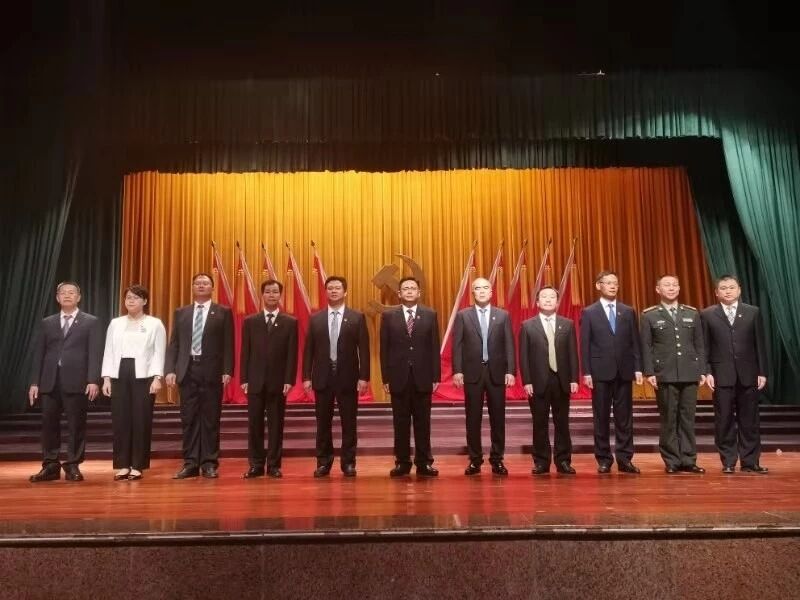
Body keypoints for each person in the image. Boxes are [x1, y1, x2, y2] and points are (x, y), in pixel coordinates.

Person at [28, 281, 102, 482]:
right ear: (57, 297)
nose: (67, 295)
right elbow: (39, 354)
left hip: (77, 381)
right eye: (63, 293)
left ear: (79, 297)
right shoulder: (47, 322)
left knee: (76, 425)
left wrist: (93, 380)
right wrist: (34, 382)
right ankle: (50, 465)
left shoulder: (90, 321)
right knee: (48, 424)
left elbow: (95, 353)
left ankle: (72, 465)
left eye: (71, 292)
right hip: (50, 381)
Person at [165, 272, 234, 479]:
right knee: (189, 419)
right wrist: (170, 369)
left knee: (211, 419)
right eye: (197, 283)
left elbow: (229, 344)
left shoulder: (223, 312)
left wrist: (227, 370)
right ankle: (190, 463)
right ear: (193, 287)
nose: (201, 285)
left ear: (212, 287)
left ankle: (209, 463)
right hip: (187, 370)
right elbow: (174, 343)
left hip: (212, 371)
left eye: (205, 283)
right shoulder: (182, 312)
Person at [303, 276, 370, 478]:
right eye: (330, 288)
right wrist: (306, 376)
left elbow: (364, 350)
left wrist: (364, 377)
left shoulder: (357, 317)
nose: (333, 291)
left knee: (349, 423)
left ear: (345, 292)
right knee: (323, 423)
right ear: (326, 292)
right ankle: (323, 462)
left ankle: (348, 463)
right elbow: (309, 350)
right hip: (322, 377)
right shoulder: (316, 319)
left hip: (348, 377)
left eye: (337, 288)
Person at [701, 275, 769, 474]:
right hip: (721, 375)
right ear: (716, 292)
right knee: (724, 420)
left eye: (731, 287)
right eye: (723, 288)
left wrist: (762, 371)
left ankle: (750, 461)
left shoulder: (752, 312)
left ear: (739, 290)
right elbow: (704, 346)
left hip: (748, 374)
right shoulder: (707, 314)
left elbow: (760, 344)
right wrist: (707, 371)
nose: (728, 291)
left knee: (750, 420)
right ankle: (728, 461)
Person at [640, 274, 706, 474]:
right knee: (669, 418)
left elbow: (699, 344)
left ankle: (688, 459)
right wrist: (649, 372)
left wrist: (702, 370)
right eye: (666, 285)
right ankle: (672, 460)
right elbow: (646, 346)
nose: (671, 288)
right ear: (658, 289)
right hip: (665, 373)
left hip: (689, 371)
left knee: (688, 418)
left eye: (674, 285)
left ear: (679, 288)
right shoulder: (649, 315)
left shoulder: (692, 313)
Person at [100, 285, 166, 481]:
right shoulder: (115, 323)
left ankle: (137, 465)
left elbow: (159, 352)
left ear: (144, 301)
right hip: (119, 373)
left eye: (136, 297)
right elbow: (108, 351)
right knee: (120, 419)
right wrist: (106, 378)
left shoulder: (155, 324)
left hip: (144, 375)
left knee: (141, 420)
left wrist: (157, 377)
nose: (131, 300)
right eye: (128, 297)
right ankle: (122, 465)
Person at [580, 271, 643, 474]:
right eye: (608, 283)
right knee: (601, 417)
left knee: (625, 418)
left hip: (624, 371)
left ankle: (625, 458)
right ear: (598, 286)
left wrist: (638, 367)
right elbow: (585, 344)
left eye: (615, 282)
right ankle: (604, 459)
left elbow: (635, 342)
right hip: (600, 372)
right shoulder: (589, 312)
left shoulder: (628, 311)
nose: (613, 286)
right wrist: (586, 372)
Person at [452, 277, 515, 476]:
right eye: (477, 288)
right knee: (473, 419)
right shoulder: (463, 315)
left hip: (496, 372)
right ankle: (475, 460)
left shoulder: (502, 315)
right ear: (472, 292)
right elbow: (457, 345)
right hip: (472, 373)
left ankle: (497, 459)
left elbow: (509, 345)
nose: (481, 291)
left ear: (491, 292)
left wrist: (511, 371)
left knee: (498, 419)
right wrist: (457, 370)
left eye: (485, 288)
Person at [380, 277, 441, 477]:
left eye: (412, 288)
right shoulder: (388, 316)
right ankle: (402, 462)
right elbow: (384, 349)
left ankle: (424, 462)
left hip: (423, 377)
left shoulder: (430, 315)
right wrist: (385, 378)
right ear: (399, 293)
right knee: (401, 422)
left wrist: (436, 376)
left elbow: (434, 347)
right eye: (405, 288)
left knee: (423, 422)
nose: (409, 291)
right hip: (398, 377)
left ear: (419, 292)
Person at [240, 279, 298, 479]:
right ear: (262, 295)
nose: (271, 295)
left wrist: (289, 379)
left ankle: (273, 465)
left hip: (278, 382)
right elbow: (245, 352)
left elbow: (292, 354)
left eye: (275, 292)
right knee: (254, 424)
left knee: (276, 425)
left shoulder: (290, 322)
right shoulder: (251, 321)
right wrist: (244, 378)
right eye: (268, 292)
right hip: (254, 381)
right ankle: (256, 465)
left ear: (280, 295)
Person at [519, 286, 579, 475]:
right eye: (544, 297)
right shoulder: (528, 326)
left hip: (561, 380)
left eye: (552, 297)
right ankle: (541, 462)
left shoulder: (567, 324)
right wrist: (527, 381)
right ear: (537, 302)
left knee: (562, 423)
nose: (548, 300)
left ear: (557, 302)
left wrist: (574, 378)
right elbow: (523, 357)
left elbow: (572, 353)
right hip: (537, 382)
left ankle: (563, 461)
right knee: (540, 423)